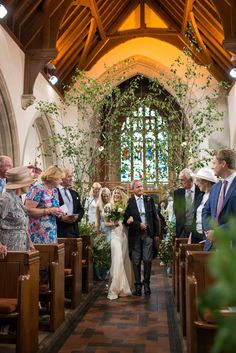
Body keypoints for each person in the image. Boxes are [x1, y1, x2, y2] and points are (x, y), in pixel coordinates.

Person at [123, 179, 159, 296]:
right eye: (138, 187)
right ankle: (138, 286)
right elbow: (126, 219)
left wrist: (156, 234)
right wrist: (137, 224)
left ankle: (147, 284)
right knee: (136, 261)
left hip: (148, 234)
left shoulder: (149, 200)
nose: (140, 189)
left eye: (141, 186)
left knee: (148, 260)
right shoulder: (130, 201)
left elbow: (155, 218)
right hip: (135, 235)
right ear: (133, 189)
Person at [202, 148, 236, 251]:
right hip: (212, 246)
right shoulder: (215, 188)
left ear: (223, 164)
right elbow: (205, 211)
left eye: (214, 163)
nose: (212, 167)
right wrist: (210, 231)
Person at [104, 186, 134, 300]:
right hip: (115, 236)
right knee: (117, 260)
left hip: (124, 236)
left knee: (124, 260)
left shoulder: (125, 207)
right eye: (115, 193)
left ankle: (123, 288)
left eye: (118, 193)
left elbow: (128, 219)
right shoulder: (108, 207)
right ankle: (115, 289)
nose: (116, 195)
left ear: (121, 195)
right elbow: (106, 223)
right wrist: (113, 224)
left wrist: (130, 218)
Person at [0, 166, 34, 258]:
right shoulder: (6, 199)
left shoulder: (17, 199)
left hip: (21, 248)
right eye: (28, 182)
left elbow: (22, 226)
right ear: (20, 183)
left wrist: (29, 242)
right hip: (8, 251)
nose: (30, 185)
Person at [25, 165, 64, 244]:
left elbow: (54, 209)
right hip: (38, 232)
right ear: (53, 177)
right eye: (60, 178)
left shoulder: (55, 190)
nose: (61, 181)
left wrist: (59, 212)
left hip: (51, 231)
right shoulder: (38, 188)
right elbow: (28, 210)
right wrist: (48, 211)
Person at [188, 168, 217, 244]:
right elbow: (195, 217)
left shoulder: (215, 196)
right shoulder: (200, 196)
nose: (196, 184)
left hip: (209, 236)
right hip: (196, 235)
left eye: (198, 180)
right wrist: (190, 236)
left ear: (205, 182)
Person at [173, 168, 201, 237]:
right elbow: (176, 210)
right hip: (183, 229)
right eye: (179, 180)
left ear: (190, 180)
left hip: (197, 229)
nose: (180, 182)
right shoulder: (178, 193)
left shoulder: (200, 191)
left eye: (182, 180)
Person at [57, 169, 84, 237]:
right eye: (69, 176)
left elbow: (81, 209)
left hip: (74, 230)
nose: (71, 179)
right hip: (60, 230)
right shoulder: (54, 192)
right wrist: (61, 218)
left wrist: (77, 217)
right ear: (62, 178)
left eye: (71, 176)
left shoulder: (74, 193)